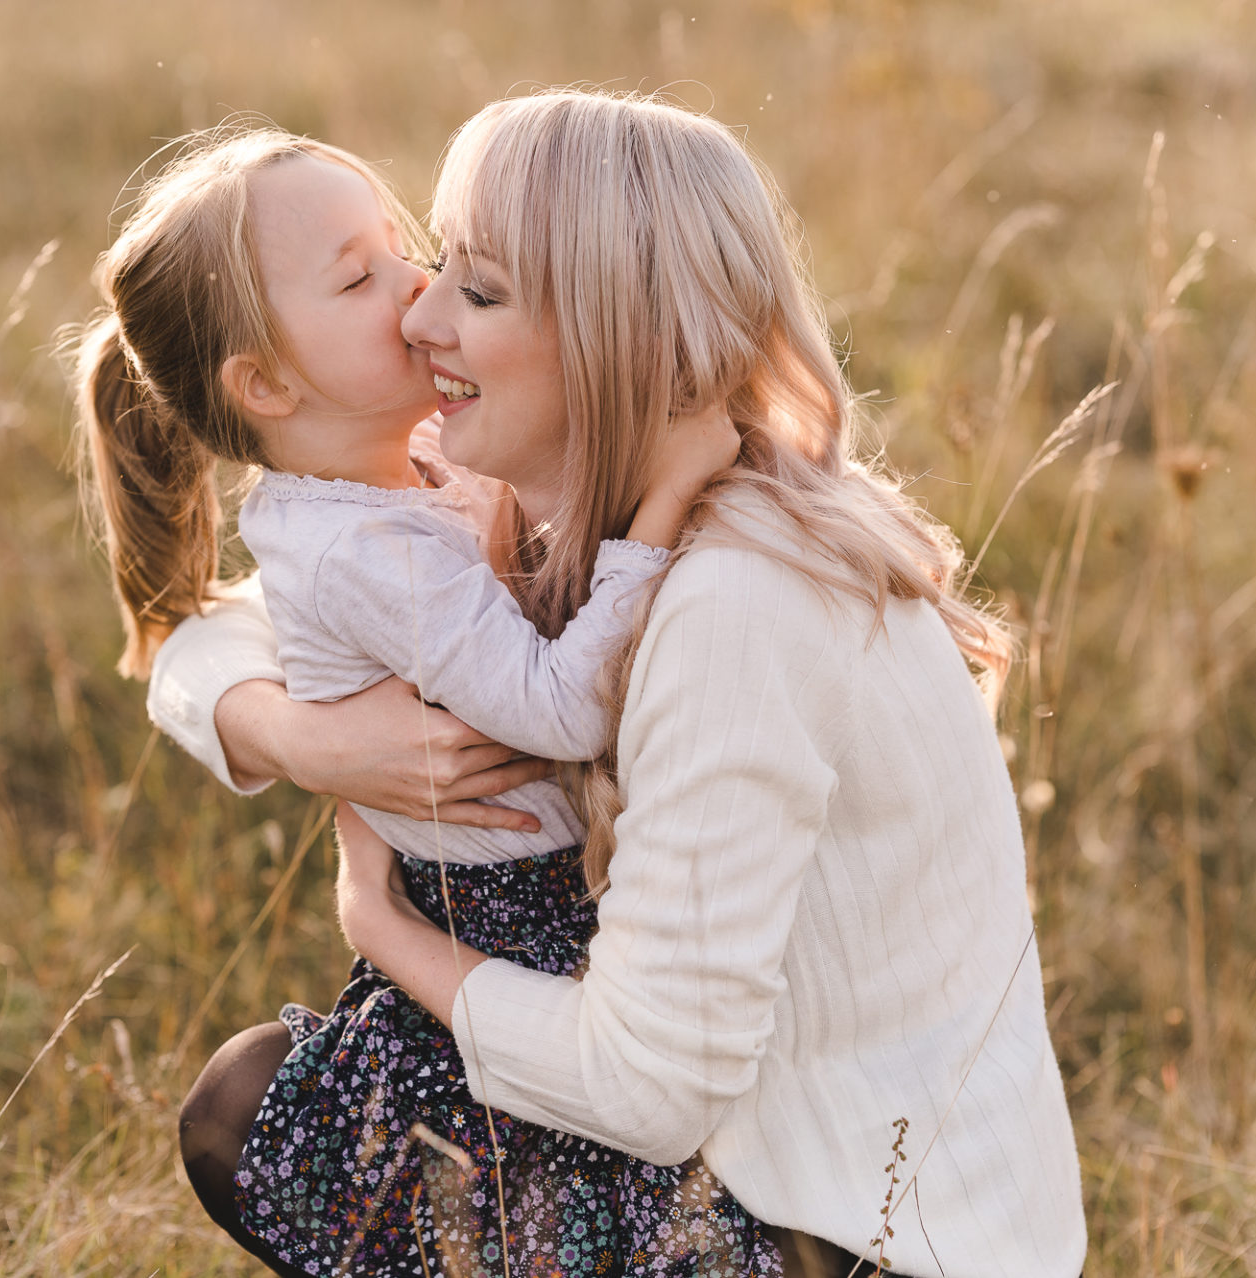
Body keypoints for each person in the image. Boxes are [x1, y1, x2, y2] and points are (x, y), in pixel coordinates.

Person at [152, 90, 1088, 1277]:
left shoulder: (736, 604)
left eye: (476, 291)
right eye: (433, 265)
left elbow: (649, 1089)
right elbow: (213, 635)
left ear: (611, 336)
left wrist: (382, 930)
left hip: (856, 1229)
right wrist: (290, 734)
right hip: (770, 1164)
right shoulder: (556, 493)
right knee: (284, 1104)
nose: (421, 316)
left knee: (266, 1113)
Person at [70, 125, 760, 1276]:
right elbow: (559, 711)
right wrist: (667, 501)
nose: (419, 292)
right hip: (523, 922)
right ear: (268, 383)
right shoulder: (360, 547)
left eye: (406, 251)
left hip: (526, 900)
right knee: (608, 1204)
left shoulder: (399, 466)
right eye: (361, 277)